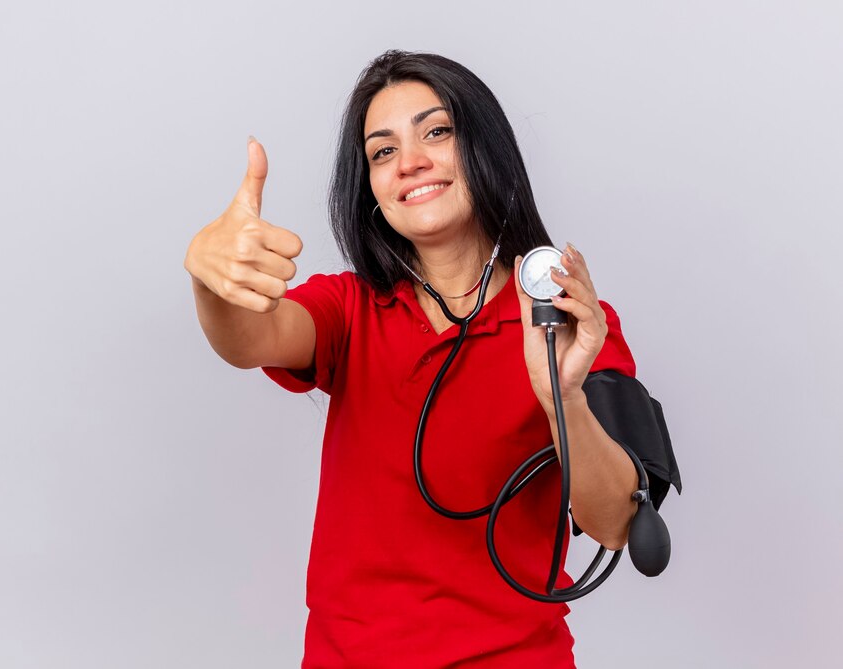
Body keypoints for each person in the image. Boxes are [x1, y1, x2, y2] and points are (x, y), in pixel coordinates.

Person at [185, 50, 648, 668]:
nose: (410, 162)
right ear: (371, 188)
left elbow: (616, 524)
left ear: (485, 147)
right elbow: (248, 337)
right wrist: (213, 278)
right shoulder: (349, 308)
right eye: (382, 151)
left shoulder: (567, 319)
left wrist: (562, 398)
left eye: (437, 131)